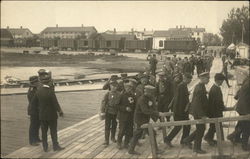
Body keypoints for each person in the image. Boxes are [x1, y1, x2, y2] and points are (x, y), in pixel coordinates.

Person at [31, 73, 64, 152]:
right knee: (53, 131)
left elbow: (33, 103)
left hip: (42, 115)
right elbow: (55, 103)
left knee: (44, 132)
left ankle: (45, 147)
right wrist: (60, 111)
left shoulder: (38, 92)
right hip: (52, 115)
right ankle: (55, 146)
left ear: (42, 82)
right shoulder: (50, 91)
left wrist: (39, 110)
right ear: (49, 82)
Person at [128, 85, 164, 155]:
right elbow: (145, 110)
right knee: (140, 134)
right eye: (151, 93)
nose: (152, 94)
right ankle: (155, 150)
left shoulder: (149, 98)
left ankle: (131, 149)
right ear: (146, 92)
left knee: (144, 134)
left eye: (152, 93)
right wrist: (157, 114)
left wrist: (156, 116)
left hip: (144, 119)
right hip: (140, 119)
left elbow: (152, 107)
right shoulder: (142, 99)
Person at [183, 72, 210, 154]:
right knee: (201, 130)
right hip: (198, 112)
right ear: (203, 79)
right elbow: (197, 103)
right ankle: (196, 148)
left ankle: (187, 140)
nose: (208, 80)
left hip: (197, 112)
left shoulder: (201, 86)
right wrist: (202, 115)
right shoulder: (200, 88)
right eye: (207, 78)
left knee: (200, 129)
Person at [164, 73, 192, 148]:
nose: (190, 81)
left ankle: (184, 140)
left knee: (187, 125)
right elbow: (179, 100)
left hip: (182, 110)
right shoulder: (182, 86)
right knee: (178, 127)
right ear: (185, 78)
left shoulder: (183, 85)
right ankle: (168, 139)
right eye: (189, 79)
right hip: (180, 111)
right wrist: (182, 112)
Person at [204, 73, 226, 146]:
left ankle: (209, 138)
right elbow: (216, 103)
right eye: (222, 81)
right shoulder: (215, 89)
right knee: (214, 126)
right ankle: (208, 138)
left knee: (213, 127)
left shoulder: (215, 88)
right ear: (219, 81)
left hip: (215, 112)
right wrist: (221, 108)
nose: (222, 82)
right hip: (215, 113)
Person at [232, 76, 250, 151]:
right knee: (247, 127)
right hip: (245, 108)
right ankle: (244, 145)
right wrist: (247, 113)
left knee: (241, 123)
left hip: (241, 107)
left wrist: (236, 97)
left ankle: (235, 137)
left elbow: (240, 91)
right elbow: (246, 98)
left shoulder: (247, 78)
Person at [101, 81, 121, 146]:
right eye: (112, 86)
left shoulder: (119, 94)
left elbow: (120, 104)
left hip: (116, 112)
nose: (113, 87)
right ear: (110, 87)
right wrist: (102, 112)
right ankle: (106, 140)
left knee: (114, 126)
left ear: (117, 87)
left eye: (115, 86)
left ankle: (112, 137)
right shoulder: (107, 94)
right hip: (108, 112)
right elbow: (103, 103)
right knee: (107, 127)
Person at [117, 82, 136, 149]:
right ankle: (119, 142)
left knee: (129, 131)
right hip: (123, 117)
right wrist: (125, 108)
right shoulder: (121, 95)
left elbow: (134, 106)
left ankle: (126, 143)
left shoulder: (133, 96)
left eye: (130, 87)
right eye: (127, 87)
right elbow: (117, 106)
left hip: (130, 117)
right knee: (122, 130)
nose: (128, 89)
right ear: (125, 88)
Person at [27, 75, 41, 146]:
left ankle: (36, 138)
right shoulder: (32, 89)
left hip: (37, 109)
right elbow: (34, 101)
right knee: (33, 125)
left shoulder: (35, 88)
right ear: (34, 82)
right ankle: (32, 141)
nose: (38, 82)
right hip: (34, 110)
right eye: (37, 81)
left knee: (37, 124)